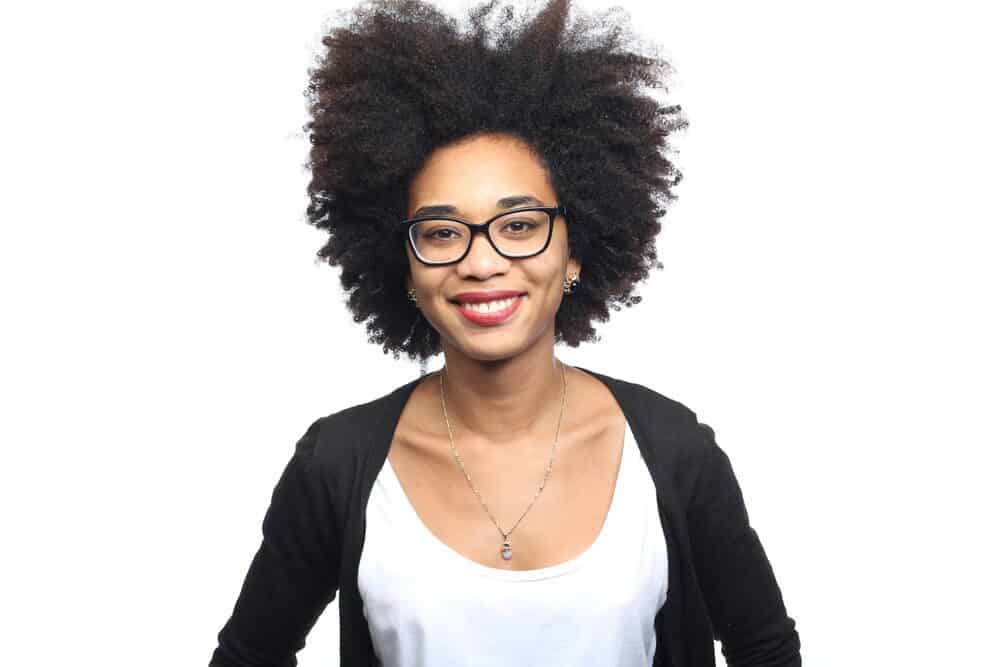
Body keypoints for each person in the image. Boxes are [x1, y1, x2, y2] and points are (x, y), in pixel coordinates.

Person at [209, 0, 800, 665]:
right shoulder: (338, 466)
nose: (481, 261)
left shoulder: (672, 453)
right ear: (402, 264)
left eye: (519, 224)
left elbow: (765, 650)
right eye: (441, 231)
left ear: (574, 249)